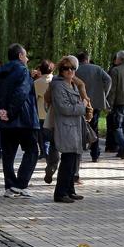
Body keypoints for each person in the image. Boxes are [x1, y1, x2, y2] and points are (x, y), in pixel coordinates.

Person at [0, 43, 40, 198]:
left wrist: (0, 111)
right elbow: (21, 93)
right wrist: (10, 112)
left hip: (5, 121)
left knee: (8, 154)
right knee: (32, 150)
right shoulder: (23, 71)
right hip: (24, 119)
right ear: (19, 56)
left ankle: (10, 186)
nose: (27, 58)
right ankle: (20, 184)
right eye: (25, 55)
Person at [46, 56, 88, 204]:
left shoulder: (73, 84)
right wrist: (82, 107)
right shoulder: (58, 86)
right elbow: (63, 108)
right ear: (61, 71)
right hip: (65, 127)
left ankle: (70, 190)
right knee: (67, 160)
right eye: (66, 68)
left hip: (75, 126)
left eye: (72, 68)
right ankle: (60, 193)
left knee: (73, 159)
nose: (69, 71)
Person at [75, 51, 111, 163]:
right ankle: (95, 154)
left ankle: (78, 154)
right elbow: (108, 80)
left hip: (79, 102)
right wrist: (104, 94)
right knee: (94, 128)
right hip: (95, 102)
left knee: (79, 128)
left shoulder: (75, 71)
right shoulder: (97, 69)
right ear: (88, 58)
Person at [107, 50, 124, 159]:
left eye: (117, 58)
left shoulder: (115, 70)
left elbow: (113, 89)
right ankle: (122, 150)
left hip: (119, 102)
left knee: (116, 126)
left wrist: (109, 104)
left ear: (120, 59)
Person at [33, 59, 55, 162]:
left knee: (42, 134)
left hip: (41, 112)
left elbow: (35, 98)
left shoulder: (36, 83)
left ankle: (44, 152)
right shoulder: (55, 81)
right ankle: (51, 152)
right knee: (52, 134)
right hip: (54, 112)